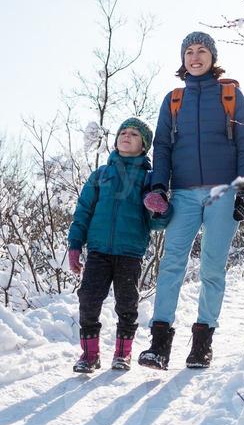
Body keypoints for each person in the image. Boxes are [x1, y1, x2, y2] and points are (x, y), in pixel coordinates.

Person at [138, 31, 244, 369]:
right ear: (182, 59)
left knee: (212, 267)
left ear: (212, 57)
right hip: (184, 195)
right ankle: (159, 345)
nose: (195, 56)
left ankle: (202, 342)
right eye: (188, 51)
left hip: (223, 193)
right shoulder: (174, 100)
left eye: (201, 50)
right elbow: (161, 147)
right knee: (171, 264)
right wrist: (159, 187)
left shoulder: (230, 95)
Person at [66, 118, 169, 373]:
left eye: (134, 133)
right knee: (88, 298)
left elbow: (158, 222)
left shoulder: (149, 178)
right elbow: (83, 212)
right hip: (98, 251)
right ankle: (89, 355)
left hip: (130, 251)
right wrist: (75, 245)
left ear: (143, 145)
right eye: (123, 132)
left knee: (127, 302)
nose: (126, 136)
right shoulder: (100, 175)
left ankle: (123, 354)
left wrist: (160, 210)